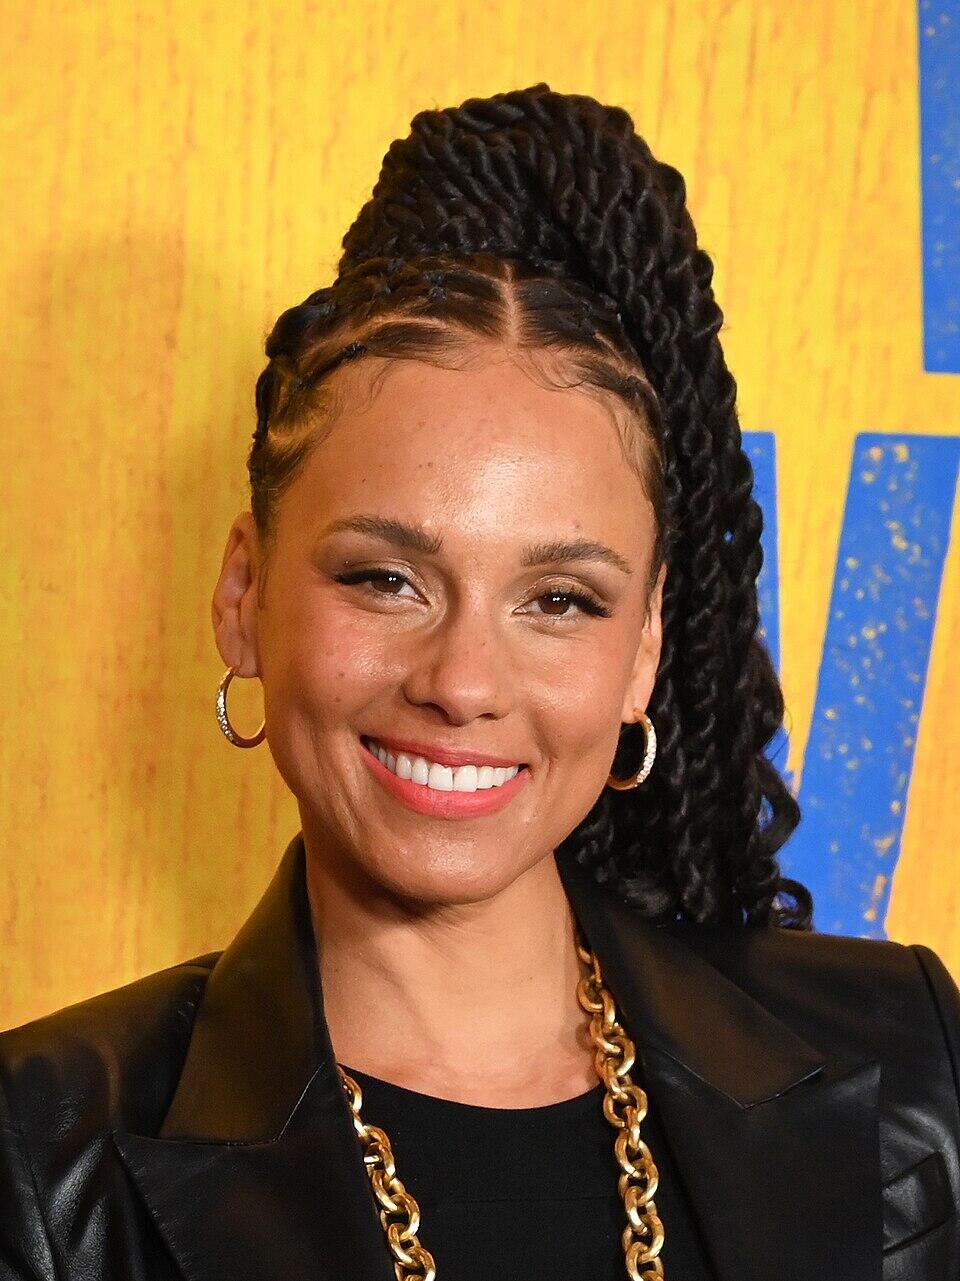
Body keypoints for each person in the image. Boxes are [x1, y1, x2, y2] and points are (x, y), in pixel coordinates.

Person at [1, 82, 957, 1281]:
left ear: (644, 649)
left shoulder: (907, 1062)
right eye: (384, 579)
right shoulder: (39, 1153)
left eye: (560, 600)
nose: (462, 683)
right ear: (244, 596)